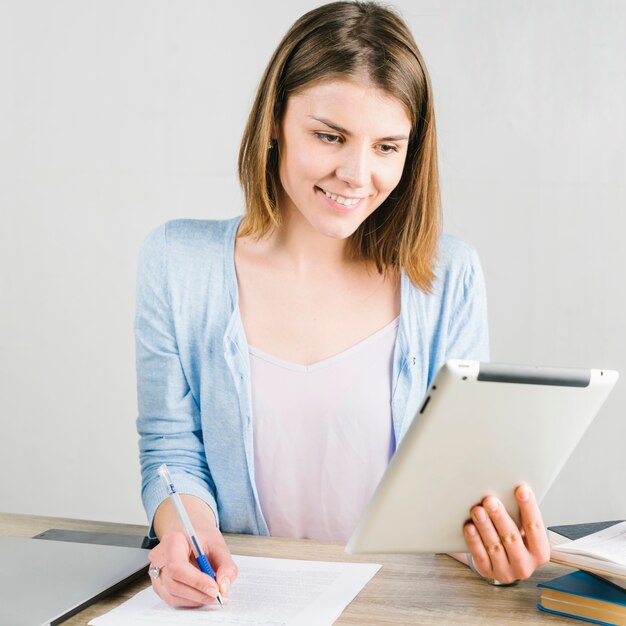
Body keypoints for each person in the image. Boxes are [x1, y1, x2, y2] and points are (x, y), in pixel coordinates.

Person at [135, 0, 550, 608]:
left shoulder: (448, 275)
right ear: (275, 122)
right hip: (241, 605)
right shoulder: (177, 263)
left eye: (387, 147)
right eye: (330, 136)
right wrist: (183, 533)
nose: (357, 174)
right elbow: (171, 452)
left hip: (399, 608)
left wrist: (493, 546)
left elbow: (459, 481)